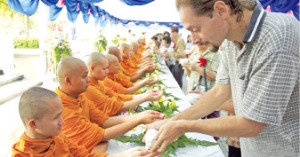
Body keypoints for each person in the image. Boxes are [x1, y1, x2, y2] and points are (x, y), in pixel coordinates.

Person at [146, 0, 299, 157]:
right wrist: (173, 121)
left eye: (195, 29)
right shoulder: (231, 40)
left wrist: (183, 126)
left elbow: (252, 124)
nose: (194, 39)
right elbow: (220, 91)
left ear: (220, 10)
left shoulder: (278, 37)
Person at [55, 56, 164, 152]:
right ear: (68, 81)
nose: (87, 79)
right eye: (84, 76)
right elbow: (102, 134)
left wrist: (141, 115)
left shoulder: (80, 96)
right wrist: (138, 119)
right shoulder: (60, 108)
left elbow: (104, 120)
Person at [12, 87, 153, 157]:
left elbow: (84, 155)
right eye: (56, 118)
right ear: (33, 124)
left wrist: (125, 155)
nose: (62, 122)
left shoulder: (57, 137)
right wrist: (138, 119)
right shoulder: (23, 154)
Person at [85, 52, 162, 116]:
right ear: (92, 68)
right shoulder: (94, 86)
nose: (107, 71)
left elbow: (117, 96)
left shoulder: (99, 82)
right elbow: (113, 105)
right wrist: (144, 97)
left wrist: (144, 95)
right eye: (104, 69)